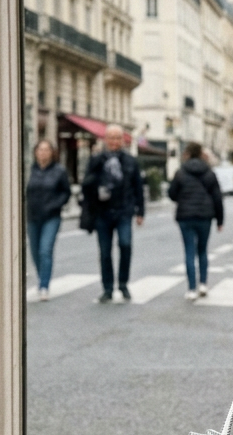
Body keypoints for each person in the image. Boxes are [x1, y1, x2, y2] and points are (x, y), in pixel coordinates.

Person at [82, 124, 145, 303]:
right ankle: (107, 288)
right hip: (102, 212)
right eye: (111, 138)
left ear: (123, 140)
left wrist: (140, 211)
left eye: (118, 138)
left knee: (125, 245)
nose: (114, 142)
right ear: (105, 139)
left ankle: (123, 284)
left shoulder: (130, 160)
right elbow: (86, 183)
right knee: (105, 252)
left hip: (124, 210)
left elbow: (138, 186)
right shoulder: (96, 159)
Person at [168, 142, 224, 300]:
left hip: (185, 216)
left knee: (189, 251)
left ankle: (191, 288)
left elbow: (172, 194)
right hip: (205, 216)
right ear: (200, 153)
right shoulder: (209, 173)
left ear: (187, 153)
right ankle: (203, 285)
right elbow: (217, 198)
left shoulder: (180, 172)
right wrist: (220, 220)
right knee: (203, 250)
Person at [26, 139, 71, 300]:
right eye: (40, 150)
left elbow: (66, 192)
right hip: (32, 216)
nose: (43, 153)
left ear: (52, 153)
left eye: (46, 150)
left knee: (45, 250)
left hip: (51, 217)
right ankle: (41, 277)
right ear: (35, 152)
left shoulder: (59, 171)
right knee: (35, 252)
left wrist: (55, 205)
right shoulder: (29, 170)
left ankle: (44, 285)